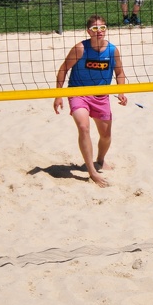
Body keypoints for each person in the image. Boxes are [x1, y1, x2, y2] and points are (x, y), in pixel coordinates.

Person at [53, 15, 128, 188]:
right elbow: (64, 69)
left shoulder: (112, 50)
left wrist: (121, 91)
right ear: (88, 31)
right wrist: (58, 94)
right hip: (78, 93)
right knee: (83, 127)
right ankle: (92, 172)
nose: (99, 31)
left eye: (102, 28)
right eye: (95, 29)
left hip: (101, 96)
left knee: (106, 136)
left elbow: (120, 73)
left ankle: (100, 160)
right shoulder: (80, 48)